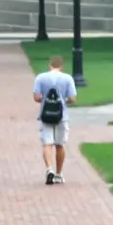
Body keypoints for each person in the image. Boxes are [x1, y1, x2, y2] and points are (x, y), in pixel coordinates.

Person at [32, 54, 77, 184]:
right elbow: (73, 98)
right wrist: (63, 100)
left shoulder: (41, 78)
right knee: (60, 144)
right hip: (61, 115)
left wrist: (45, 100)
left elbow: (36, 97)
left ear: (49, 65)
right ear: (61, 66)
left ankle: (49, 168)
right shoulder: (67, 78)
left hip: (45, 114)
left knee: (47, 143)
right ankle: (58, 173)